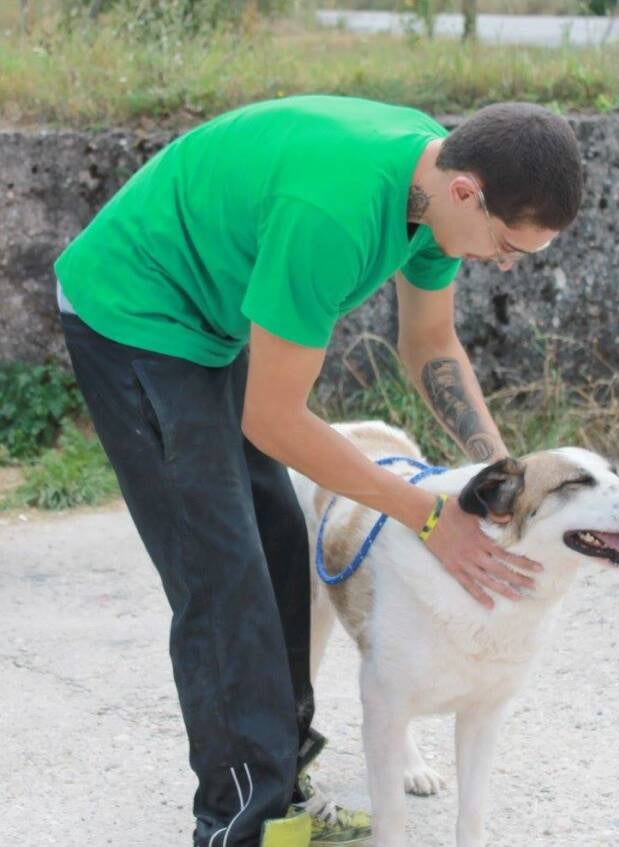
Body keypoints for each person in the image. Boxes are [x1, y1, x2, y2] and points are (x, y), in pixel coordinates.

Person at [54, 95, 583, 847]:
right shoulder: (336, 212)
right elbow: (273, 419)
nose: (502, 262)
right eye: (507, 245)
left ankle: (281, 777)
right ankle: (241, 822)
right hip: (130, 308)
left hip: (205, 318)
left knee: (277, 540)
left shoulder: (439, 193)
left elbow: (430, 342)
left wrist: (501, 477)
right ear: (469, 192)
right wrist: (429, 514)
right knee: (220, 571)